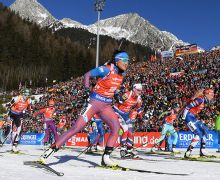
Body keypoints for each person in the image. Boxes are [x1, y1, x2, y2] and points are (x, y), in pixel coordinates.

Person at [39, 50, 129, 167]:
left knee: (116, 128)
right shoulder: (106, 69)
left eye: (128, 61)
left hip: (106, 106)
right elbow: (87, 75)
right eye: (125, 60)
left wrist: (118, 96)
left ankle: (106, 158)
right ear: (117, 60)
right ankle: (48, 153)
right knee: (76, 128)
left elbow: (113, 88)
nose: (127, 63)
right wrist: (87, 91)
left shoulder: (121, 75)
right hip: (94, 103)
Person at [113, 83, 144, 158]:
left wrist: (141, 117)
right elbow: (119, 101)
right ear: (134, 89)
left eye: (140, 91)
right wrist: (116, 94)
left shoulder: (138, 98)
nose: (140, 92)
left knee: (130, 131)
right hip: (117, 112)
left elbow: (139, 109)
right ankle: (123, 150)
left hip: (126, 115)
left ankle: (129, 149)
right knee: (125, 129)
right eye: (138, 90)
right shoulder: (127, 94)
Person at [182, 88, 215, 158]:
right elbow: (188, 107)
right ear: (207, 94)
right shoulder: (200, 99)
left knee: (205, 129)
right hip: (189, 117)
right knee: (198, 134)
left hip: (193, 117)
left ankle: (202, 150)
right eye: (211, 94)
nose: (212, 96)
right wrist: (184, 117)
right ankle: (188, 152)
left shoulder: (204, 101)